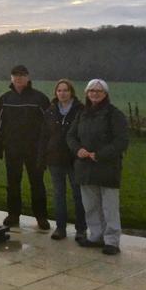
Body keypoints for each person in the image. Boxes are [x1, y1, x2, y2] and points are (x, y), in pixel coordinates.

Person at [66, 79, 128, 255]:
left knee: (109, 207)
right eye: (91, 90)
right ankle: (96, 235)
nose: (94, 93)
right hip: (85, 168)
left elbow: (121, 141)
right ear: (86, 93)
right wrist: (78, 150)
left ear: (105, 94)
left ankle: (112, 240)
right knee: (91, 205)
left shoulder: (114, 115)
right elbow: (71, 136)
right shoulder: (82, 114)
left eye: (98, 91)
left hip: (107, 167)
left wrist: (100, 154)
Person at [0, 65, 51, 229]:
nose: (18, 78)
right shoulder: (5, 99)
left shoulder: (39, 99)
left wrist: (46, 148)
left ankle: (41, 217)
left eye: (22, 75)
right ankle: (13, 215)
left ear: (28, 78)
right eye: (15, 75)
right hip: (12, 149)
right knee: (12, 183)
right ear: (11, 78)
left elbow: (48, 126)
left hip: (35, 150)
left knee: (37, 183)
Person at [39, 79, 86, 242]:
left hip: (75, 159)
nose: (62, 93)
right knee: (59, 195)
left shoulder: (81, 110)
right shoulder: (50, 111)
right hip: (55, 158)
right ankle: (60, 228)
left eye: (65, 90)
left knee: (78, 195)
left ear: (71, 92)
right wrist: (42, 157)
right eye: (59, 90)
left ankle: (81, 229)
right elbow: (44, 136)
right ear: (55, 93)